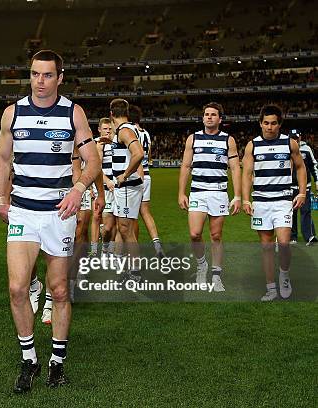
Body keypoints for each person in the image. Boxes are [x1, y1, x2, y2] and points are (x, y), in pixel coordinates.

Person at [0, 50, 100, 393]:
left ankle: (56, 362)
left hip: (59, 214)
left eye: (48, 75)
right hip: (23, 212)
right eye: (36, 74)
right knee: (17, 288)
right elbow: (3, 159)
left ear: (60, 78)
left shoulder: (72, 112)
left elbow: (92, 159)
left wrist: (79, 187)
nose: (40, 81)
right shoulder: (14, 113)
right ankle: (30, 360)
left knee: (58, 290)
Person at [242, 105, 306, 301]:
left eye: (274, 123)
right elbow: (246, 174)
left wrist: (302, 193)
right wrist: (245, 198)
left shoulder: (290, 143)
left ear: (279, 124)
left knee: (284, 243)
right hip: (261, 202)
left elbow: (301, 167)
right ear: (260, 123)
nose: (270, 127)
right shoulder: (252, 145)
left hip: (283, 200)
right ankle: (270, 288)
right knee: (267, 247)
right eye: (266, 123)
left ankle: (284, 276)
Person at [178, 102, 241, 292]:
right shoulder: (193, 138)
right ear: (203, 117)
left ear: (220, 119)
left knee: (216, 235)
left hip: (219, 193)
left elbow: (235, 168)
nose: (209, 117)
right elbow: (186, 166)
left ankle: (216, 276)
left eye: (213, 115)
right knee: (195, 234)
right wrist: (181, 192)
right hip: (198, 191)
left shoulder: (228, 140)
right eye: (206, 114)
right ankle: (201, 265)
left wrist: (237, 195)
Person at [109, 99, 145, 282]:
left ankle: (135, 272)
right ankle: (130, 269)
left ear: (111, 114)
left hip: (126, 187)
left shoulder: (124, 130)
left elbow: (139, 153)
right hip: (127, 187)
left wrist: (124, 175)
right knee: (124, 229)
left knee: (125, 230)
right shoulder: (125, 130)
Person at [128, 105, 165, 258]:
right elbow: (148, 155)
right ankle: (157, 244)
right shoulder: (146, 133)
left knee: (132, 216)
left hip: (134, 175)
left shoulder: (129, 132)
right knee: (145, 211)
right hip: (147, 175)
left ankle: (133, 248)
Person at [289, 129, 317, 245]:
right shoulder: (287, 148)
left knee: (306, 211)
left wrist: (317, 180)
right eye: (292, 138)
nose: (295, 140)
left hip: (305, 186)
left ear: (300, 137)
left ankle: (309, 236)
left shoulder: (306, 149)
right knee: (291, 212)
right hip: (290, 186)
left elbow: (313, 165)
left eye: (296, 137)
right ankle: (292, 236)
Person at [95, 118, 117, 257]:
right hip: (106, 188)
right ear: (99, 130)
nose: (108, 131)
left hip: (119, 188)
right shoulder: (98, 143)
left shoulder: (118, 142)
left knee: (119, 224)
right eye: (105, 129)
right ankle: (105, 247)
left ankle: (112, 253)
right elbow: (96, 168)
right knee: (107, 227)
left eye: (110, 129)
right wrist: (108, 181)